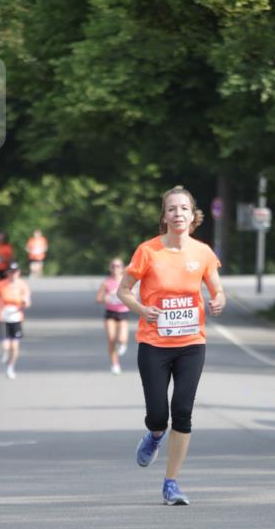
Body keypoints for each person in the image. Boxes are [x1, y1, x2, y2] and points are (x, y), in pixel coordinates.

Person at [117, 186, 225, 506]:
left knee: (182, 412)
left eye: (184, 209)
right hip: (154, 342)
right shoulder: (148, 251)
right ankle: (153, 436)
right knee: (158, 415)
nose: (178, 214)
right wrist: (142, 310)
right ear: (163, 217)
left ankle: (171, 483)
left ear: (194, 216)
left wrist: (218, 301)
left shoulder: (203, 253)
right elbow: (124, 290)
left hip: (192, 343)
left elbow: (218, 291)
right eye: (172, 209)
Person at [0, 261, 31, 379]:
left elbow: (28, 302)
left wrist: (25, 302)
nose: (13, 274)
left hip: (16, 317)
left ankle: (10, 367)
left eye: (15, 272)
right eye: (11, 272)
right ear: (7, 273)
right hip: (3, 316)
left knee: (14, 346)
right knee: (5, 346)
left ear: (18, 273)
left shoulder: (22, 285)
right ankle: (4, 353)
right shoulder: (1, 285)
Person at [95, 258, 130, 374]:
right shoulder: (106, 282)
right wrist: (105, 298)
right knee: (111, 339)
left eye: (118, 266)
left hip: (123, 313)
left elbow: (134, 296)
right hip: (110, 313)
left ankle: (123, 344)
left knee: (122, 339)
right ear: (110, 268)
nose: (115, 268)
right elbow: (98, 298)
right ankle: (115, 363)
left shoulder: (127, 281)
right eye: (113, 266)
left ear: (122, 268)